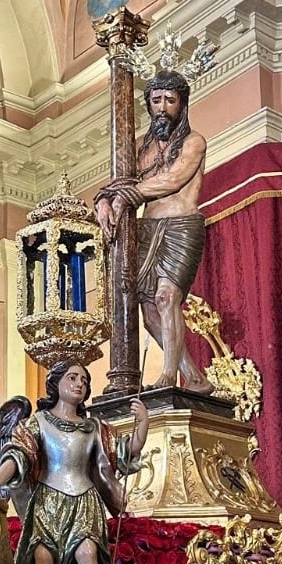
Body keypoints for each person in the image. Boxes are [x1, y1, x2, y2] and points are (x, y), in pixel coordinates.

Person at [0, 362, 149, 564]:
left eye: (84, 380)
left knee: (88, 553)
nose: (79, 383)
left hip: (84, 501)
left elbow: (126, 451)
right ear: (56, 384)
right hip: (47, 501)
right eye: (72, 378)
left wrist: (143, 422)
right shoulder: (39, 422)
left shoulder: (94, 428)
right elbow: (17, 455)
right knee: (43, 558)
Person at [94, 70, 212, 391]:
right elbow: (118, 183)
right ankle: (195, 377)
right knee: (148, 311)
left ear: (181, 105)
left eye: (169, 100)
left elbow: (172, 180)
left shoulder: (193, 141)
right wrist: (103, 201)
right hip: (147, 228)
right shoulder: (139, 147)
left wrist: (126, 196)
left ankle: (169, 376)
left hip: (181, 226)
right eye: (156, 100)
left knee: (166, 296)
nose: (162, 107)